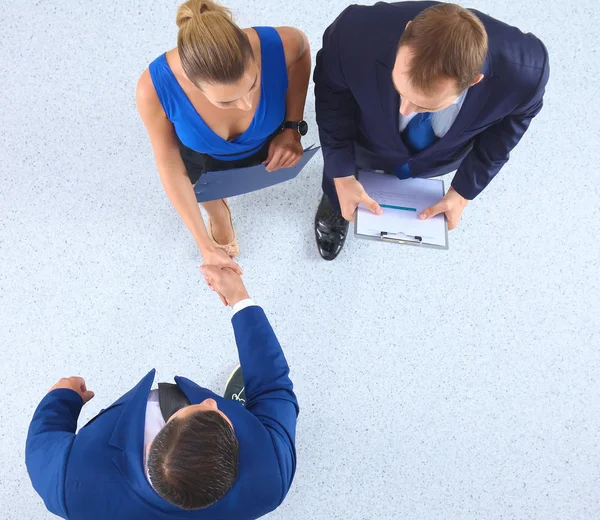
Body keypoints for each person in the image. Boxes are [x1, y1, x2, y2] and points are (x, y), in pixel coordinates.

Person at [25, 268, 298, 520]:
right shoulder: (271, 477)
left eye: (200, 407)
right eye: (219, 413)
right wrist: (240, 298)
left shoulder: (69, 485)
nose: (211, 400)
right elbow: (273, 389)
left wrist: (62, 399)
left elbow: (41, 442)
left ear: (150, 448)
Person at [313, 2, 549, 260]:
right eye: (400, 90)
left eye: (423, 104)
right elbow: (332, 96)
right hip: (366, 134)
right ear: (407, 31)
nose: (404, 110)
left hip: (442, 153)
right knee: (340, 179)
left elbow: (511, 125)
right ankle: (336, 202)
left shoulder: (526, 74)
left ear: (473, 81)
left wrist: (463, 192)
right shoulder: (353, 34)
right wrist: (342, 175)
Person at [137, 0, 310, 270]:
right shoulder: (152, 90)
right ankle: (218, 213)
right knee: (202, 186)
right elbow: (169, 165)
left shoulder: (282, 43)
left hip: (267, 138)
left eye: (253, 85)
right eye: (226, 102)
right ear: (191, 84)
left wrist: (292, 126)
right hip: (201, 155)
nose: (246, 105)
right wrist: (205, 245)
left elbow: (301, 50)